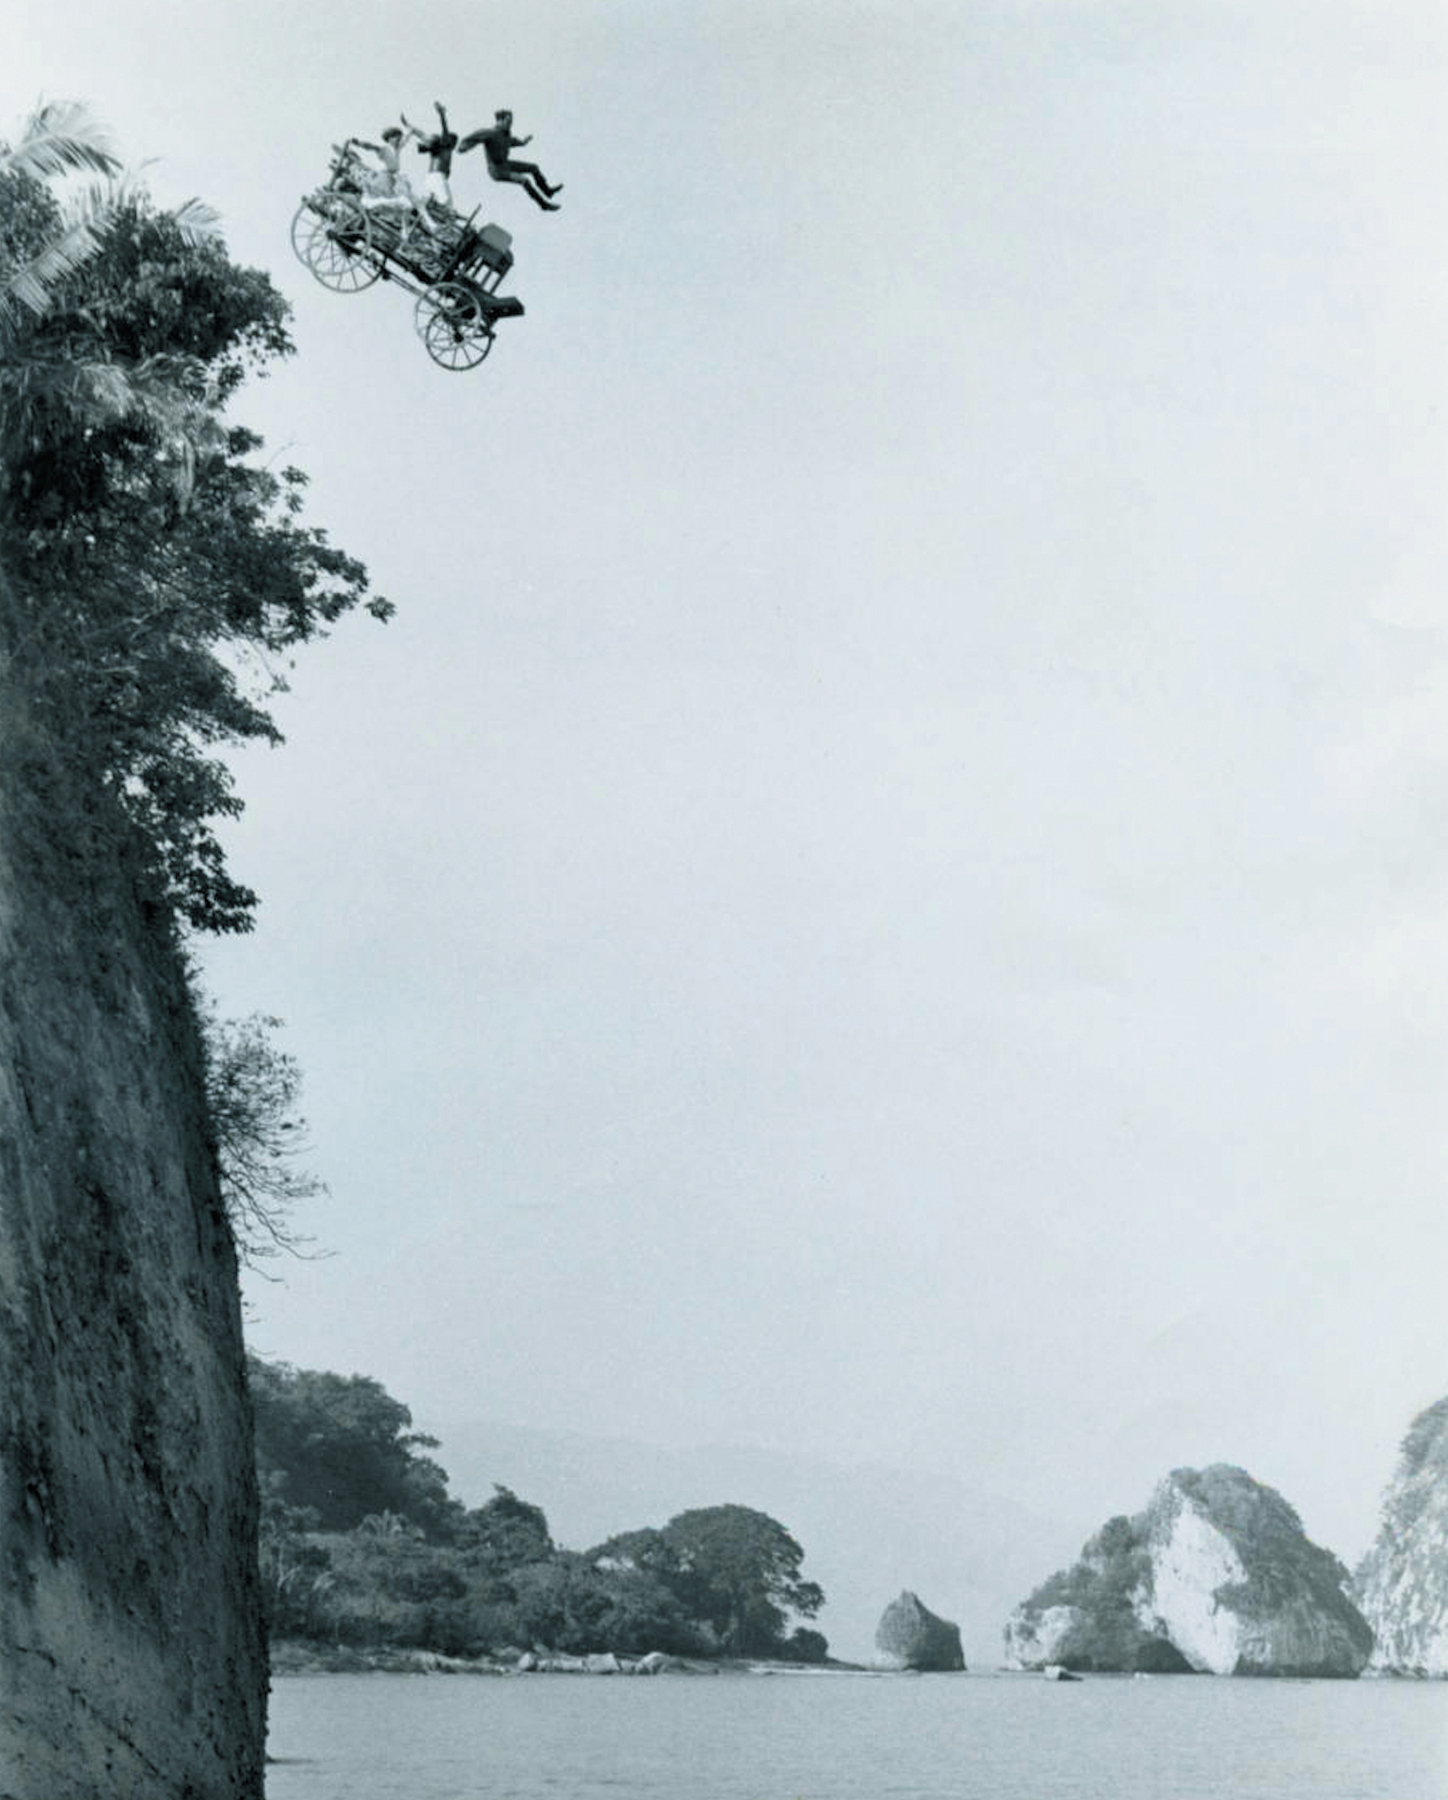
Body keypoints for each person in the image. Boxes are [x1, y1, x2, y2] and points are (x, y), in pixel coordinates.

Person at [348, 124, 442, 239]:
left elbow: (405, 140)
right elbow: (371, 146)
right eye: (397, 138)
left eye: (400, 138)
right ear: (391, 138)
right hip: (383, 180)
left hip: (392, 178)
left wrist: (411, 131)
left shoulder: (396, 147)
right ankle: (408, 229)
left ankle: (428, 224)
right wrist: (359, 143)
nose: (399, 140)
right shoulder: (384, 147)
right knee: (408, 199)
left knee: (413, 199)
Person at [458, 110, 563, 212]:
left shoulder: (505, 136)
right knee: (524, 180)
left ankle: (548, 191)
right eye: (508, 121)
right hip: (497, 170)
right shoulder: (490, 133)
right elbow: (473, 138)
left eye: (511, 122)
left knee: (534, 168)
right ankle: (543, 205)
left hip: (506, 164)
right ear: (499, 121)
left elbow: (513, 142)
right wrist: (464, 147)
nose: (510, 124)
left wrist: (523, 142)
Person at [404, 101, 460, 211]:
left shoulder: (441, 148)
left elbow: (420, 133)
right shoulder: (445, 146)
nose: (455, 144)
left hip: (432, 177)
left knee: (431, 200)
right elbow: (444, 128)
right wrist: (442, 114)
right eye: (454, 141)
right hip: (437, 177)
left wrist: (408, 125)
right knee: (447, 204)